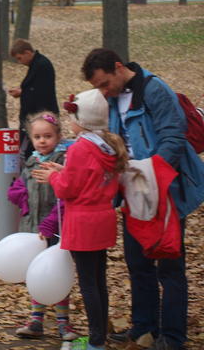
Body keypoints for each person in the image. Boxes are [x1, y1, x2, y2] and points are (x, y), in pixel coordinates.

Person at [81, 48, 204, 350]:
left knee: (169, 266)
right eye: (98, 87)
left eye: (105, 83)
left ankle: (172, 336)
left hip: (163, 189)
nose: (103, 91)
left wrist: (152, 176)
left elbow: (173, 138)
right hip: (132, 189)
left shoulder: (155, 90)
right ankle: (144, 328)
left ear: (119, 67)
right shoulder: (113, 97)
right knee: (138, 262)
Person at [33, 89, 129, 350]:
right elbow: (90, 178)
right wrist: (63, 171)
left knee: (88, 283)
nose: (69, 122)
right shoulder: (107, 145)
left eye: (72, 117)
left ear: (82, 120)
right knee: (98, 280)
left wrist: (54, 177)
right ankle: (99, 335)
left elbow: (67, 189)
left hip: (82, 224)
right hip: (102, 219)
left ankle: (95, 342)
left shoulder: (80, 148)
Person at [6, 112, 78, 342]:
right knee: (37, 274)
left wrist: (51, 223)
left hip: (57, 229)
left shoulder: (62, 161)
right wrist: (19, 193)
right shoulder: (31, 161)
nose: (42, 141)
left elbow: (65, 196)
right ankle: (36, 320)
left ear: (58, 136)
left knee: (56, 274)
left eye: (48, 136)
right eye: (37, 137)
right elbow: (20, 186)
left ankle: (63, 323)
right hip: (33, 229)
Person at [7, 39, 59, 160]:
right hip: (34, 116)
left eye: (20, 58)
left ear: (27, 53)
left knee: (31, 151)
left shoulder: (41, 65)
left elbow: (40, 93)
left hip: (38, 116)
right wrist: (22, 91)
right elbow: (34, 88)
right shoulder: (36, 65)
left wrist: (23, 92)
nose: (20, 62)